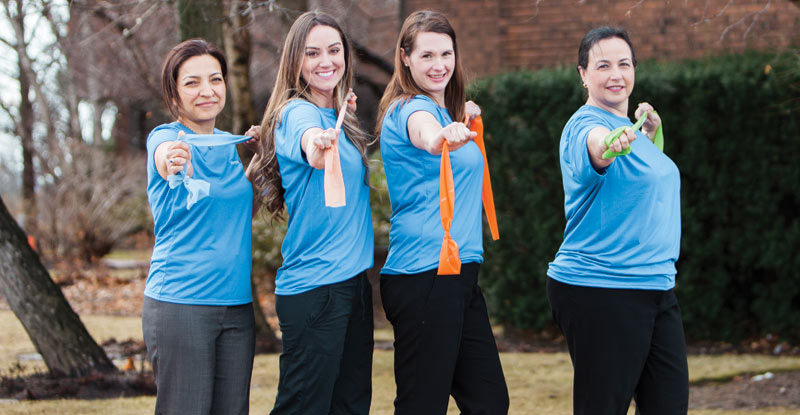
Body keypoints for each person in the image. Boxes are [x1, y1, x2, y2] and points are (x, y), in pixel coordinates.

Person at [546, 26, 689, 415]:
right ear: (583, 74)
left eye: (624, 64)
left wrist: (644, 136)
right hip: (601, 286)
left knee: (669, 406)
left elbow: (640, 183)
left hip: (656, 286)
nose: (615, 75)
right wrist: (609, 144)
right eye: (603, 65)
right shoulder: (584, 125)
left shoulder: (632, 131)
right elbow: (596, 146)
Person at [375, 10, 509, 415]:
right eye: (427, 55)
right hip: (423, 274)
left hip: (459, 272)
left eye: (446, 54)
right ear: (405, 58)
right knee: (422, 405)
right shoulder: (409, 109)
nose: (439, 65)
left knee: (488, 401)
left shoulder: (444, 111)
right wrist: (442, 136)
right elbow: (426, 136)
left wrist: (455, 123)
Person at [247, 11, 374, 415]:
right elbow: (310, 141)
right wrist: (317, 144)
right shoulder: (294, 114)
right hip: (316, 289)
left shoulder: (337, 115)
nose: (326, 61)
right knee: (303, 408)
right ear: (295, 62)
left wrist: (338, 116)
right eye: (313, 52)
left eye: (334, 51)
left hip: (353, 285)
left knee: (350, 406)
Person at [143, 39, 260, 415]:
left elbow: (240, 208)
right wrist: (171, 159)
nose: (207, 91)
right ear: (174, 94)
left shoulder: (230, 146)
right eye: (192, 82)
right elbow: (165, 157)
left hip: (237, 308)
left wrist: (264, 152)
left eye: (215, 79)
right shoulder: (167, 138)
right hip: (181, 304)